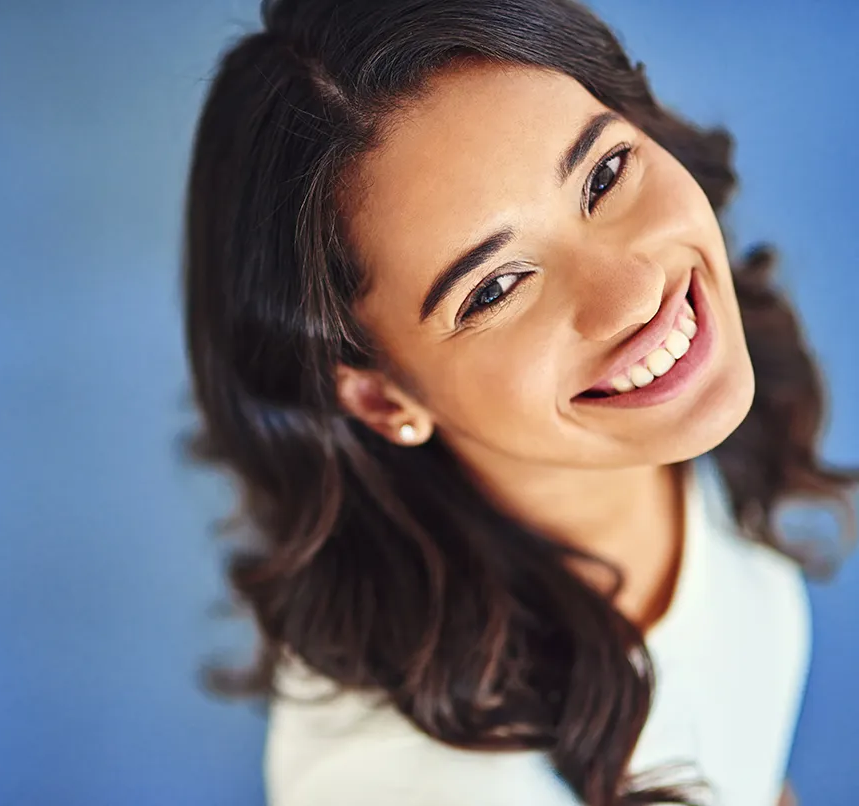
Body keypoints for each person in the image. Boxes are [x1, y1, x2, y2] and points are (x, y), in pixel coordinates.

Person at [179, 1, 858, 804]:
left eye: (603, 175)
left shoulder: (675, 437)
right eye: (495, 287)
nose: (636, 292)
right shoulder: (413, 786)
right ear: (378, 393)